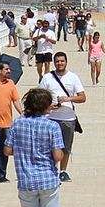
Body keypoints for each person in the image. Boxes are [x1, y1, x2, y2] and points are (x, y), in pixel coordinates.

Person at [4, 88, 66, 207]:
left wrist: (23, 152)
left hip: (26, 180)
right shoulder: (52, 126)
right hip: (47, 179)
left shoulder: (18, 123)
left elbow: (7, 150)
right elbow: (57, 155)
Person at [43, 52, 86, 181]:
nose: (59, 63)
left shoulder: (73, 77)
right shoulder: (47, 77)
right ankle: (51, 169)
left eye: (62, 61)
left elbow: (82, 97)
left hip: (68, 118)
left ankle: (63, 171)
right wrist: (49, 106)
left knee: (66, 147)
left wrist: (67, 98)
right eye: (57, 61)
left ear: (66, 62)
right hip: (51, 118)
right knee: (50, 146)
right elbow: (39, 96)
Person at [30, 16, 55, 82]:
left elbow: (54, 42)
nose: (45, 27)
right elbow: (33, 39)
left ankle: (46, 78)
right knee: (39, 66)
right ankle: (40, 76)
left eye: (47, 26)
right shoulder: (38, 31)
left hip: (48, 50)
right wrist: (40, 37)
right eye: (44, 26)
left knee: (47, 64)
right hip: (39, 51)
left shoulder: (51, 32)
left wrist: (48, 39)